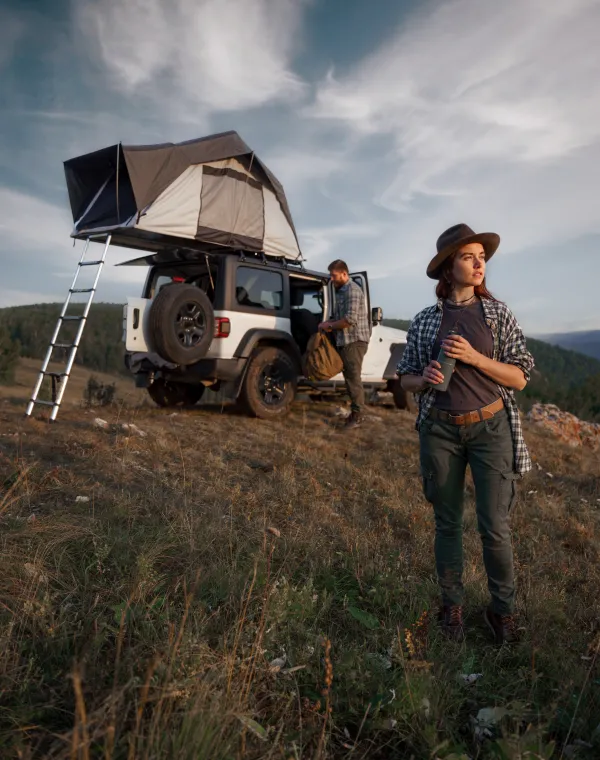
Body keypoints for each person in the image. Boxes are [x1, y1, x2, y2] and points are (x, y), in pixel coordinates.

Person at [396, 223, 534, 645]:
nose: (479, 264)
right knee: (448, 523)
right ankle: (452, 606)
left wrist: (474, 357)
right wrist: (423, 378)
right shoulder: (426, 320)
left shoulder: (496, 314)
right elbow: (404, 378)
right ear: (448, 267)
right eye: (468, 257)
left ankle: (502, 612)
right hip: (439, 430)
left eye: (482, 258)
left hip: (491, 428)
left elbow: (520, 377)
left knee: (495, 526)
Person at [318, 260, 371, 429]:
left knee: (353, 379)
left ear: (344, 274)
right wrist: (328, 322)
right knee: (350, 378)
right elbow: (340, 317)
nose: (332, 279)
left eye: (334, 276)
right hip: (346, 341)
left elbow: (350, 320)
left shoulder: (352, 290)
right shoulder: (341, 292)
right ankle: (355, 414)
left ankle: (358, 416)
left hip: (354, 341)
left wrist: (330, 326)